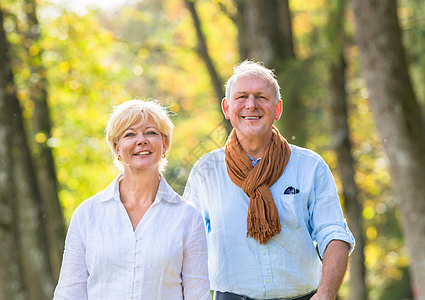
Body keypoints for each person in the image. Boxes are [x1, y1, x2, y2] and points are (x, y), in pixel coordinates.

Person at [183, 61, 355, 300]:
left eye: (261, 97)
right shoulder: (206, 171)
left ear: (277, 108)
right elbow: (189, 245)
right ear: (227, 107)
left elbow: (334, 233)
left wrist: (325, 294)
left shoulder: (310, 166)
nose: (251, 105)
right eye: (241, 97)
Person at [54, 99, 211, 300]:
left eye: (151, 132)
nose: (141, 140)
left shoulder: (188, 218)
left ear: (165, 144)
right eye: (130, 134)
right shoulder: (87, 214)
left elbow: (198, 296)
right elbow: (69, 293)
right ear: (116, 148)